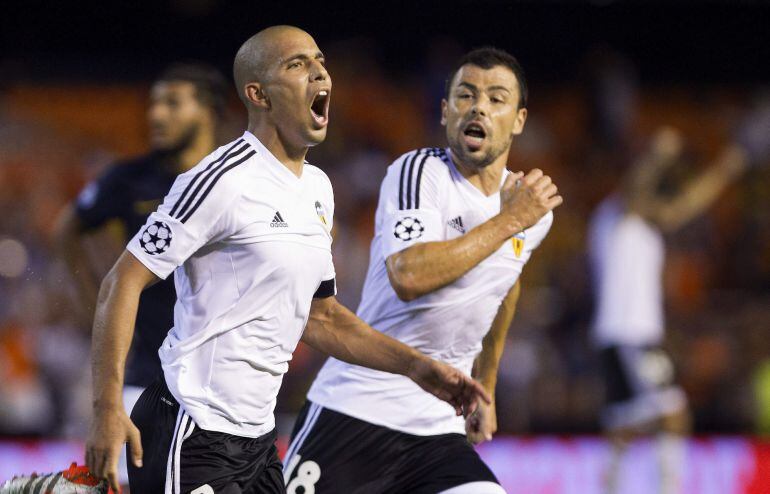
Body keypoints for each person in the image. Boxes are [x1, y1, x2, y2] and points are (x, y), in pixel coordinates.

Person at [84, 25, 490, 494]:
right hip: (188, 429)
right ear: (259, 94)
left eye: (320, 61)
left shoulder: (318, 188)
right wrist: (105, 409)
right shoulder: (220, 179)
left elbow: (322, 319)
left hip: (257, 443)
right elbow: (122, 282)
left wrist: (420, 368)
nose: (320, 72)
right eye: (297, 64)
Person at [285, 47, 562, 494]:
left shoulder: (531, 211)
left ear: (519, 120)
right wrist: (510, 220)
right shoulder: (419, 173)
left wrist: (486, 385)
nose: (479, 107)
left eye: (496, 98)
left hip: (437, 432)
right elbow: (409, 276)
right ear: (445, 111)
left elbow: (505, 286)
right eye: (466, 95)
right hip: (356, 412)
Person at [54, 61, 227, 491]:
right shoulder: (130, 179)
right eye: (153, 103)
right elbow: (68, 229)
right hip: (147, 378)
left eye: (172, 103)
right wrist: (95, 299)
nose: (155, 114)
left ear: (207, 111)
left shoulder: (236, 178)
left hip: (224, 382)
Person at [588, 127, 749, 494]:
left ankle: (609, 487)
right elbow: (635, 189)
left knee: (622, 427)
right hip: (630, 333)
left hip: (623, 336)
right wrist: (658, 156)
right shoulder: (614, 216)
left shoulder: (646, 225)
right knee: (674, 414)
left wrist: (724, 170)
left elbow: (685, 205)